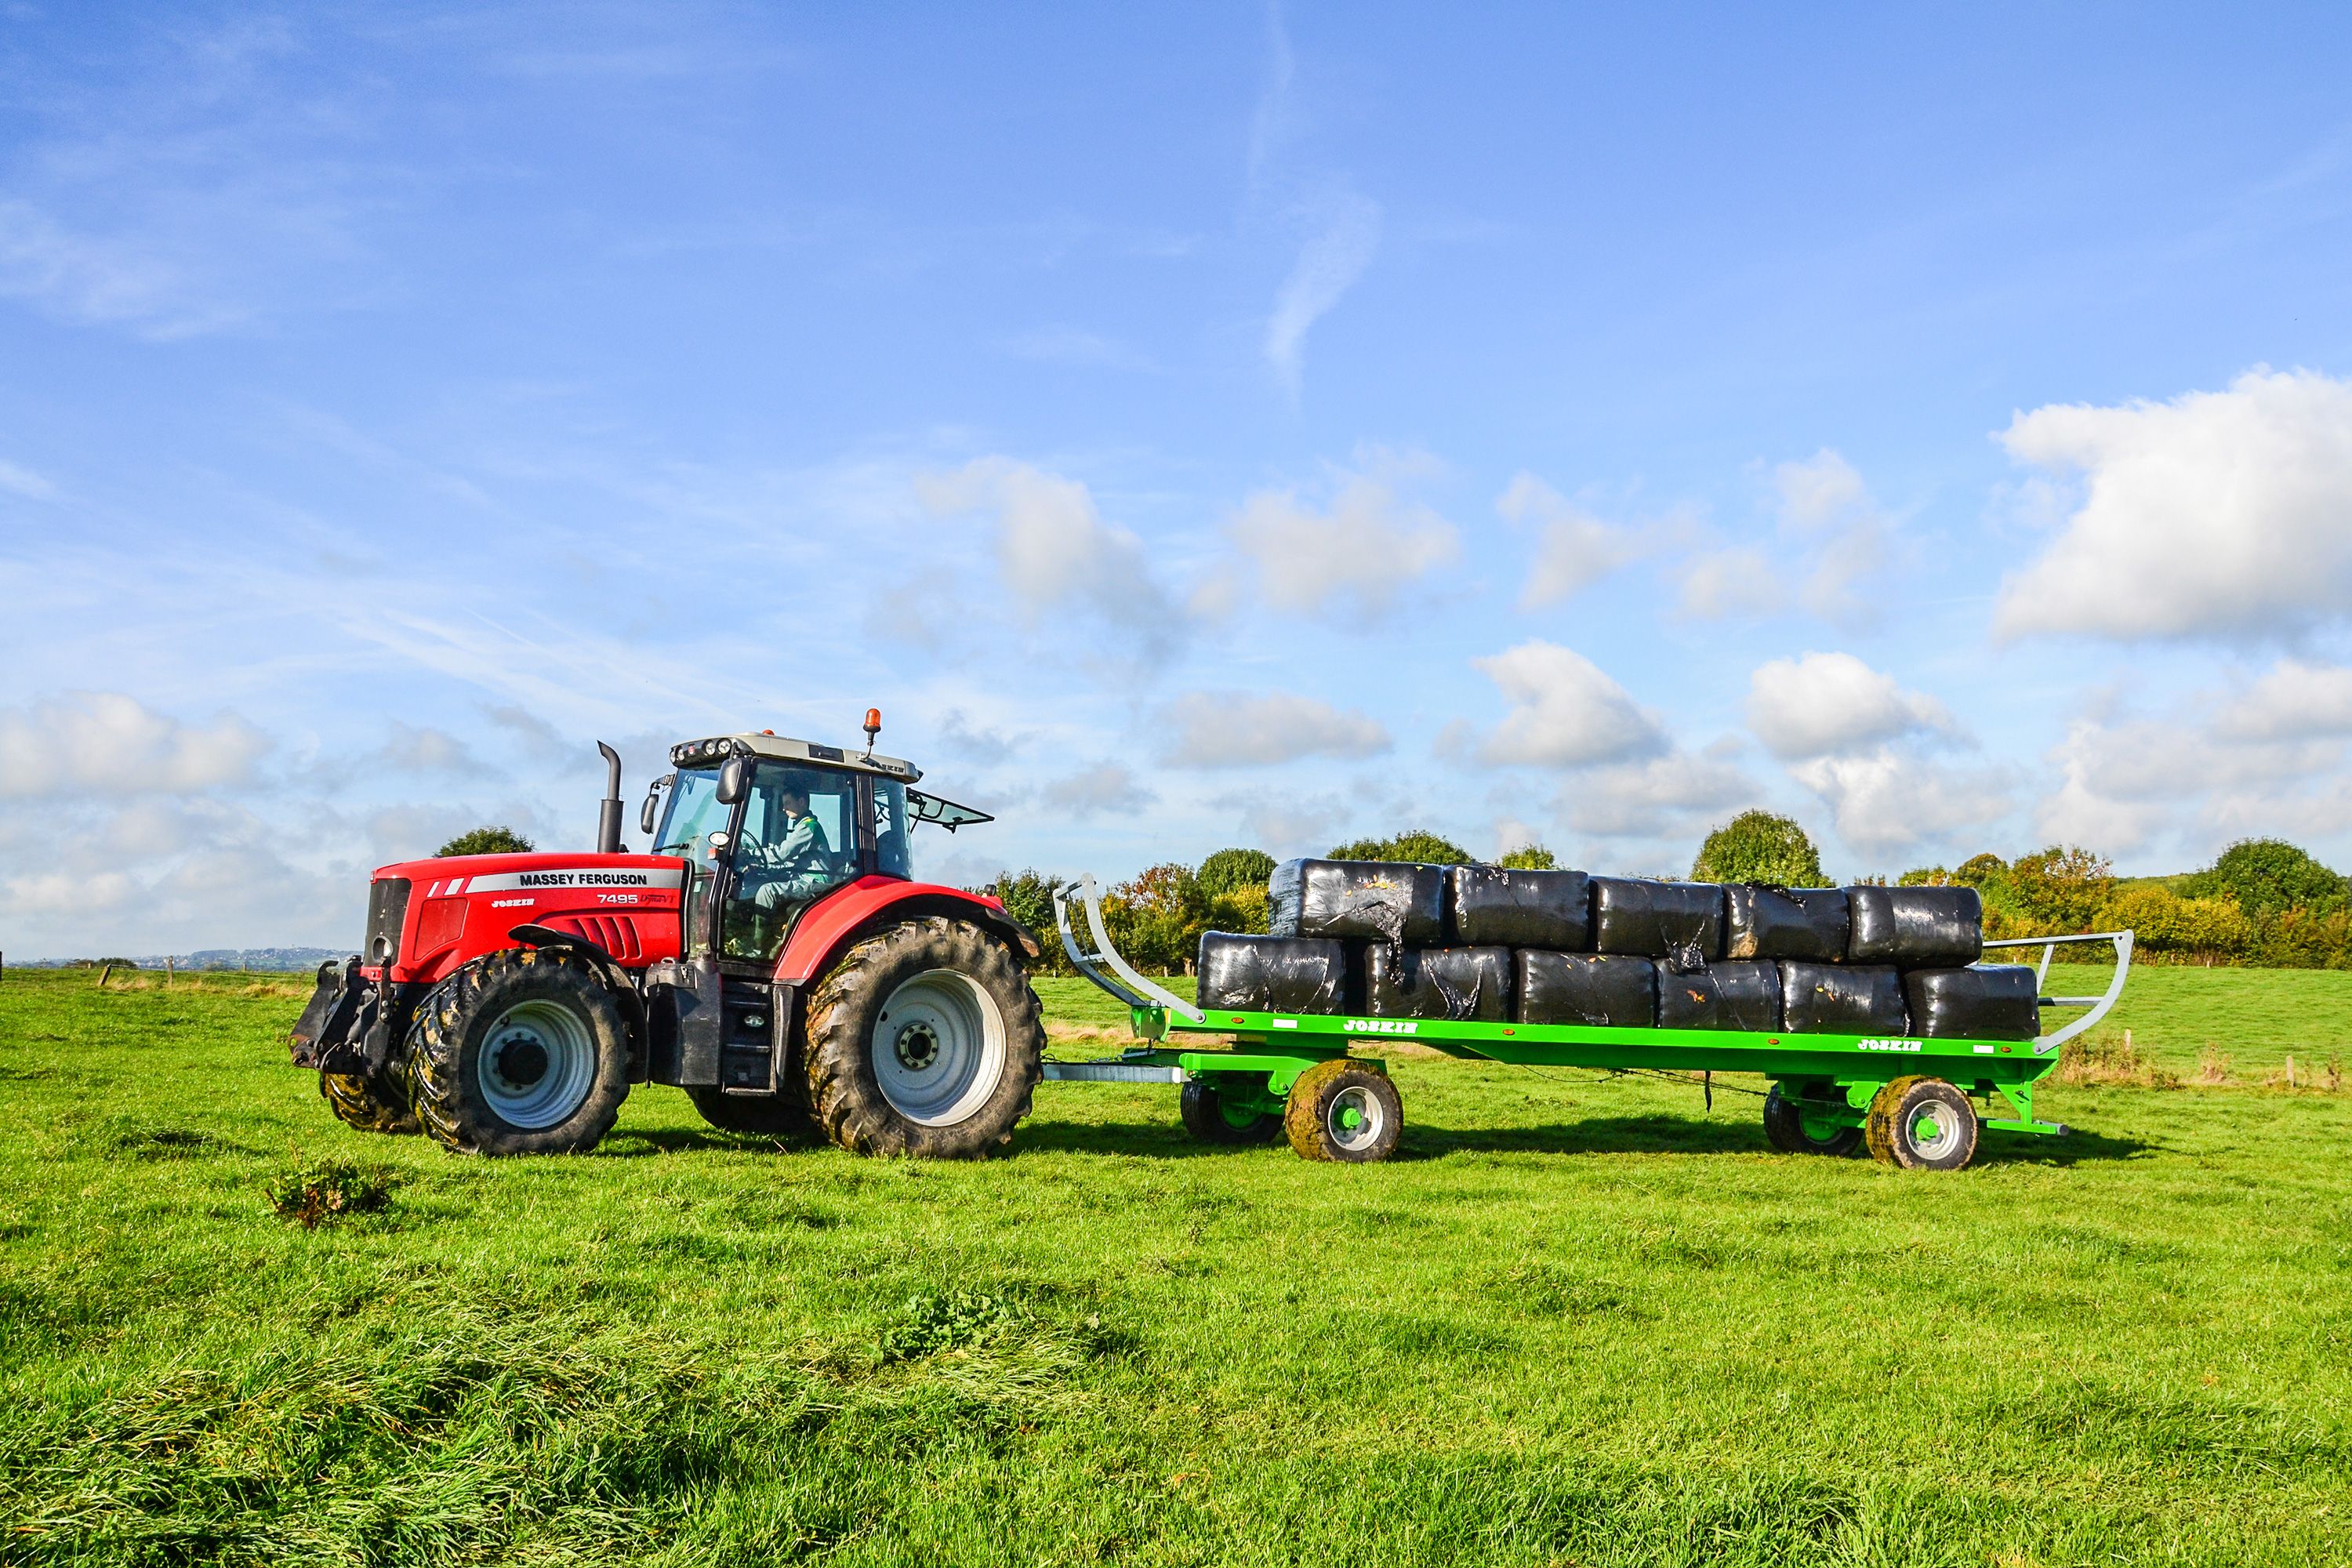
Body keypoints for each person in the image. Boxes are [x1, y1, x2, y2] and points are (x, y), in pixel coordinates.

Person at [747, 782, 837, 909]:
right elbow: (792, 861)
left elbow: (783, 853)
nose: (784, 809)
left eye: (788, 803)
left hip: (814, 880)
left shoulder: (809, 826)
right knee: (754, 886)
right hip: (801, 876)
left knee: (767, 891)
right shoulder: (801, 826)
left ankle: (761, 929)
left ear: (801, 802)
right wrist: (761, 865)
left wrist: (752, 853)